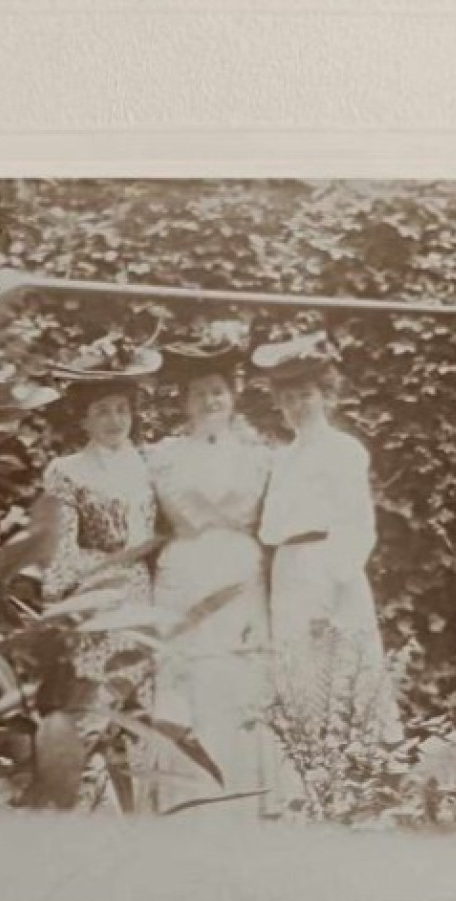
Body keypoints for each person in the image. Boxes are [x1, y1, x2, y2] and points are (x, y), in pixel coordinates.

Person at [254, 332, 403, 761]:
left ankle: (359, 763)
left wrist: (333, 589)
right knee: (298, 666)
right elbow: (271, 527)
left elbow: (356, 524)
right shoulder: (283, 457)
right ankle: (310, 760)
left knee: (341, 663)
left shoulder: (344, 451)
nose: (298, 406)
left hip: (328, 567)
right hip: (289, 569)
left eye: (306, 395)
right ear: (279, 404)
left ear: (326, 396)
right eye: (289, 398)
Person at [143, 342, 276, 817]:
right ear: (184, 401)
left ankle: (246, 799)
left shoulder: (260, 456)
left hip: (241, 570)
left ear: (233, 396)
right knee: (188, 673)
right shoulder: (161, 457)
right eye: (199, 393)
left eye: (218, 391)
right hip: (185, 571)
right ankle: (186, 799)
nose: (210, 401)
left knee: (239, 673)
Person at [39, 341, 163, 808]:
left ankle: (143, 814)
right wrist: (69, 608)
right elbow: (61, 548)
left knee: (141, 714)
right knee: (91, 712)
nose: (115, 420)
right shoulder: (66, 470)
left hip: (144, 601)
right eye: (103, 411)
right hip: (94, 604)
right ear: (84, 420)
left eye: (121, 409)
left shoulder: (150, 465)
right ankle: (88, 812)